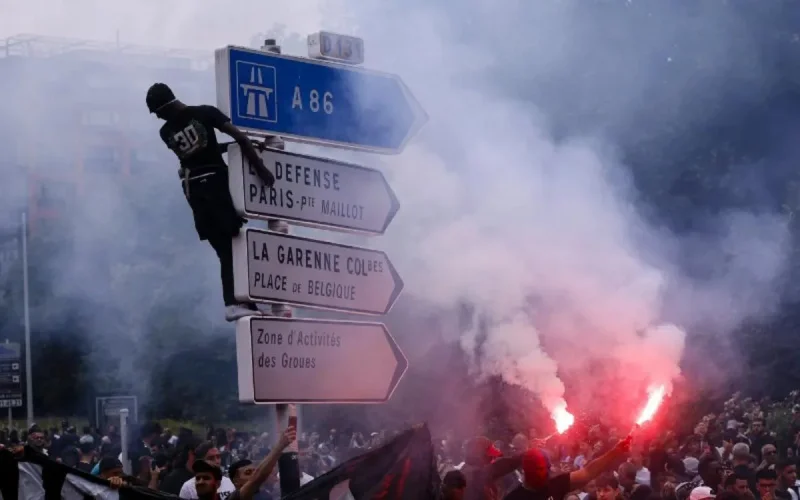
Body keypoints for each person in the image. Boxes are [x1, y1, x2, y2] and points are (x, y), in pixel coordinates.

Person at [145, 82, 276, 321]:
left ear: (164, 107)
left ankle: (240, 301)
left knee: (224, 248)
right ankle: (236, 302)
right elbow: (239, 139)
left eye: (157, 112)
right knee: (232, 243)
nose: (158, 118)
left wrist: (233, 148)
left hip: (195, 191)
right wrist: (261, 170)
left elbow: (202, 151)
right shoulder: (205, 113)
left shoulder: (166, 133)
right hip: (215, 185)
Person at [503, 435, 632, 500]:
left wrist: (616, 451)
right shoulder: (513, 498)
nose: (545, 473)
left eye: (547, 468)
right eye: (539, 469)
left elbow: (588, 472)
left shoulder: (554, 484)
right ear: (526, 471)